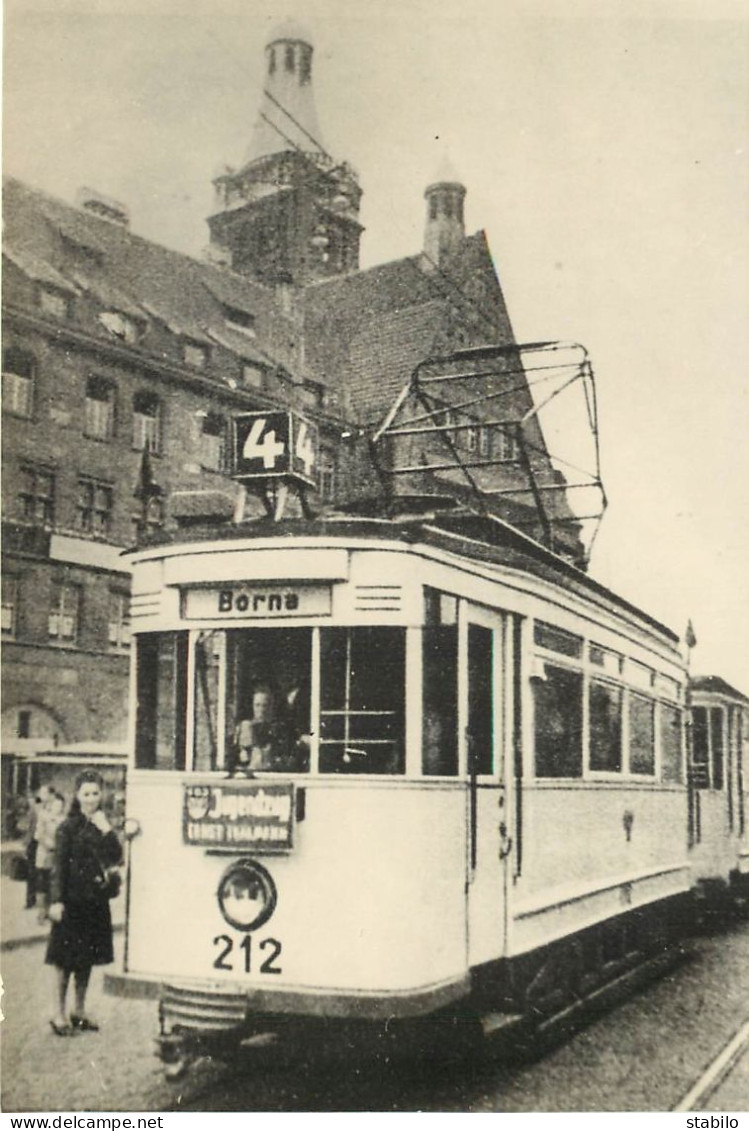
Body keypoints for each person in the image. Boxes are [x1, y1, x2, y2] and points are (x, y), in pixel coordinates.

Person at [45, 771, 122, 1036]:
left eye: (95, 793)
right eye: (86, 794)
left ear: (101, 796)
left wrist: (107, 829)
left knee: (86, 959)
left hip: (95, 902)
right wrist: (55, 901)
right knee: (64, 960)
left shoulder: (103, 825)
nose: (91, 799)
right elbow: (58, 868)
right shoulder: (68, 827)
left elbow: (117, 856)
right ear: (77, 796)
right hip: (71, 902)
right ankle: (58, 1013)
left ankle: (79, 1010)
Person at [232, 685, 293, 774]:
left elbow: (287, 759)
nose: (261, 710)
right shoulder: (245, 728)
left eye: (265, 706)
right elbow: (239, 759)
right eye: (257, 705)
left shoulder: (280, 730)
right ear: (252, 706)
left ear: (271, 707)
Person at [35, 791, 66, 924]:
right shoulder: (43, 816)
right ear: (51, 805)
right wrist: (52, 845)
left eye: (60, 806)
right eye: (56, 805)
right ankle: (42, 914)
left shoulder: (64, 819)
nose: (58, 808)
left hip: (58, 857)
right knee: (43, 885)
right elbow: (38, 835)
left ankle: (53, 914)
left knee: (55, 885)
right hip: (45, 855)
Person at [23, 786, 51, 909]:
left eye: (46, 793)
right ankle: (30, 900)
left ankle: (47, 902)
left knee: (46, 871)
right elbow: (29, 826)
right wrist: (26, 843)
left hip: (47, 841)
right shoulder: (34, 806)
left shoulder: (52, 807)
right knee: (31, 871)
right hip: (34, 841)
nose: (43, 795)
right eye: (41, 792)